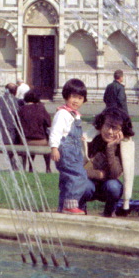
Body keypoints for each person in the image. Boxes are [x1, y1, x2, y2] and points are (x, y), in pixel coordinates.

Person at [50, 78, 93, 215]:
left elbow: (71, 132)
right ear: (66, 96)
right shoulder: (62, 113)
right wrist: (54, 148)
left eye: (80, 98)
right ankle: (70, 204)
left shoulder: (74, 115)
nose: (76, 101)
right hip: (66, 152)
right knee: (78, 175)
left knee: (67, 179)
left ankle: (63, 206)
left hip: (74, 152)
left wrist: (81, 138)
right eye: (73, 97)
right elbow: (56, 131)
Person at [84, 106, 134, 217]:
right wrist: (99, 174)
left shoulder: (124, 146)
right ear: (101, 125)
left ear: (121, 131)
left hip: (107, 186)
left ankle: (109, 212)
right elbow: (79, 170)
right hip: (88, 183)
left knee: (114, 186)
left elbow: (115, 174)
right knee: (84, 185)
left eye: (115, 128)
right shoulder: (89, 140)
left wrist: (111, 148)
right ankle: (81, 210)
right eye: (107, 126)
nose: (110, 132)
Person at [0, 82, 21, 169]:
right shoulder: (18, 102)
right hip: (12, 137)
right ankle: (15, 162)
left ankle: (12, 161)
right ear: (15, 91)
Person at [17, 90, 52, 173]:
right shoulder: (41, 108)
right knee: (47, 143)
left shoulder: (21, 110)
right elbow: (49, 123)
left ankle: (30, 166)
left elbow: (17, 124)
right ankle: (48, 167)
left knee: (30, 140)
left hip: (26, 140)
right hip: (41, 140)